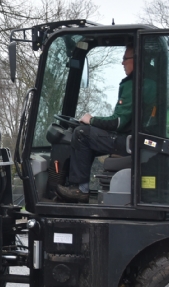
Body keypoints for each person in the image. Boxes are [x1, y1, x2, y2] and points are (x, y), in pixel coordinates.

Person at [55, 45, 136, 203]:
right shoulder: (146, 82)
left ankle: (80, 189)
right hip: (131, 140)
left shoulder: (134, 84)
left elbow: (118, 122)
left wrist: (91, 120)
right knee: (88, 134)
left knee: (81, 134)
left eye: (125, 58)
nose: (122, 63)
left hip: (127, 141)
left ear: (136, 59)